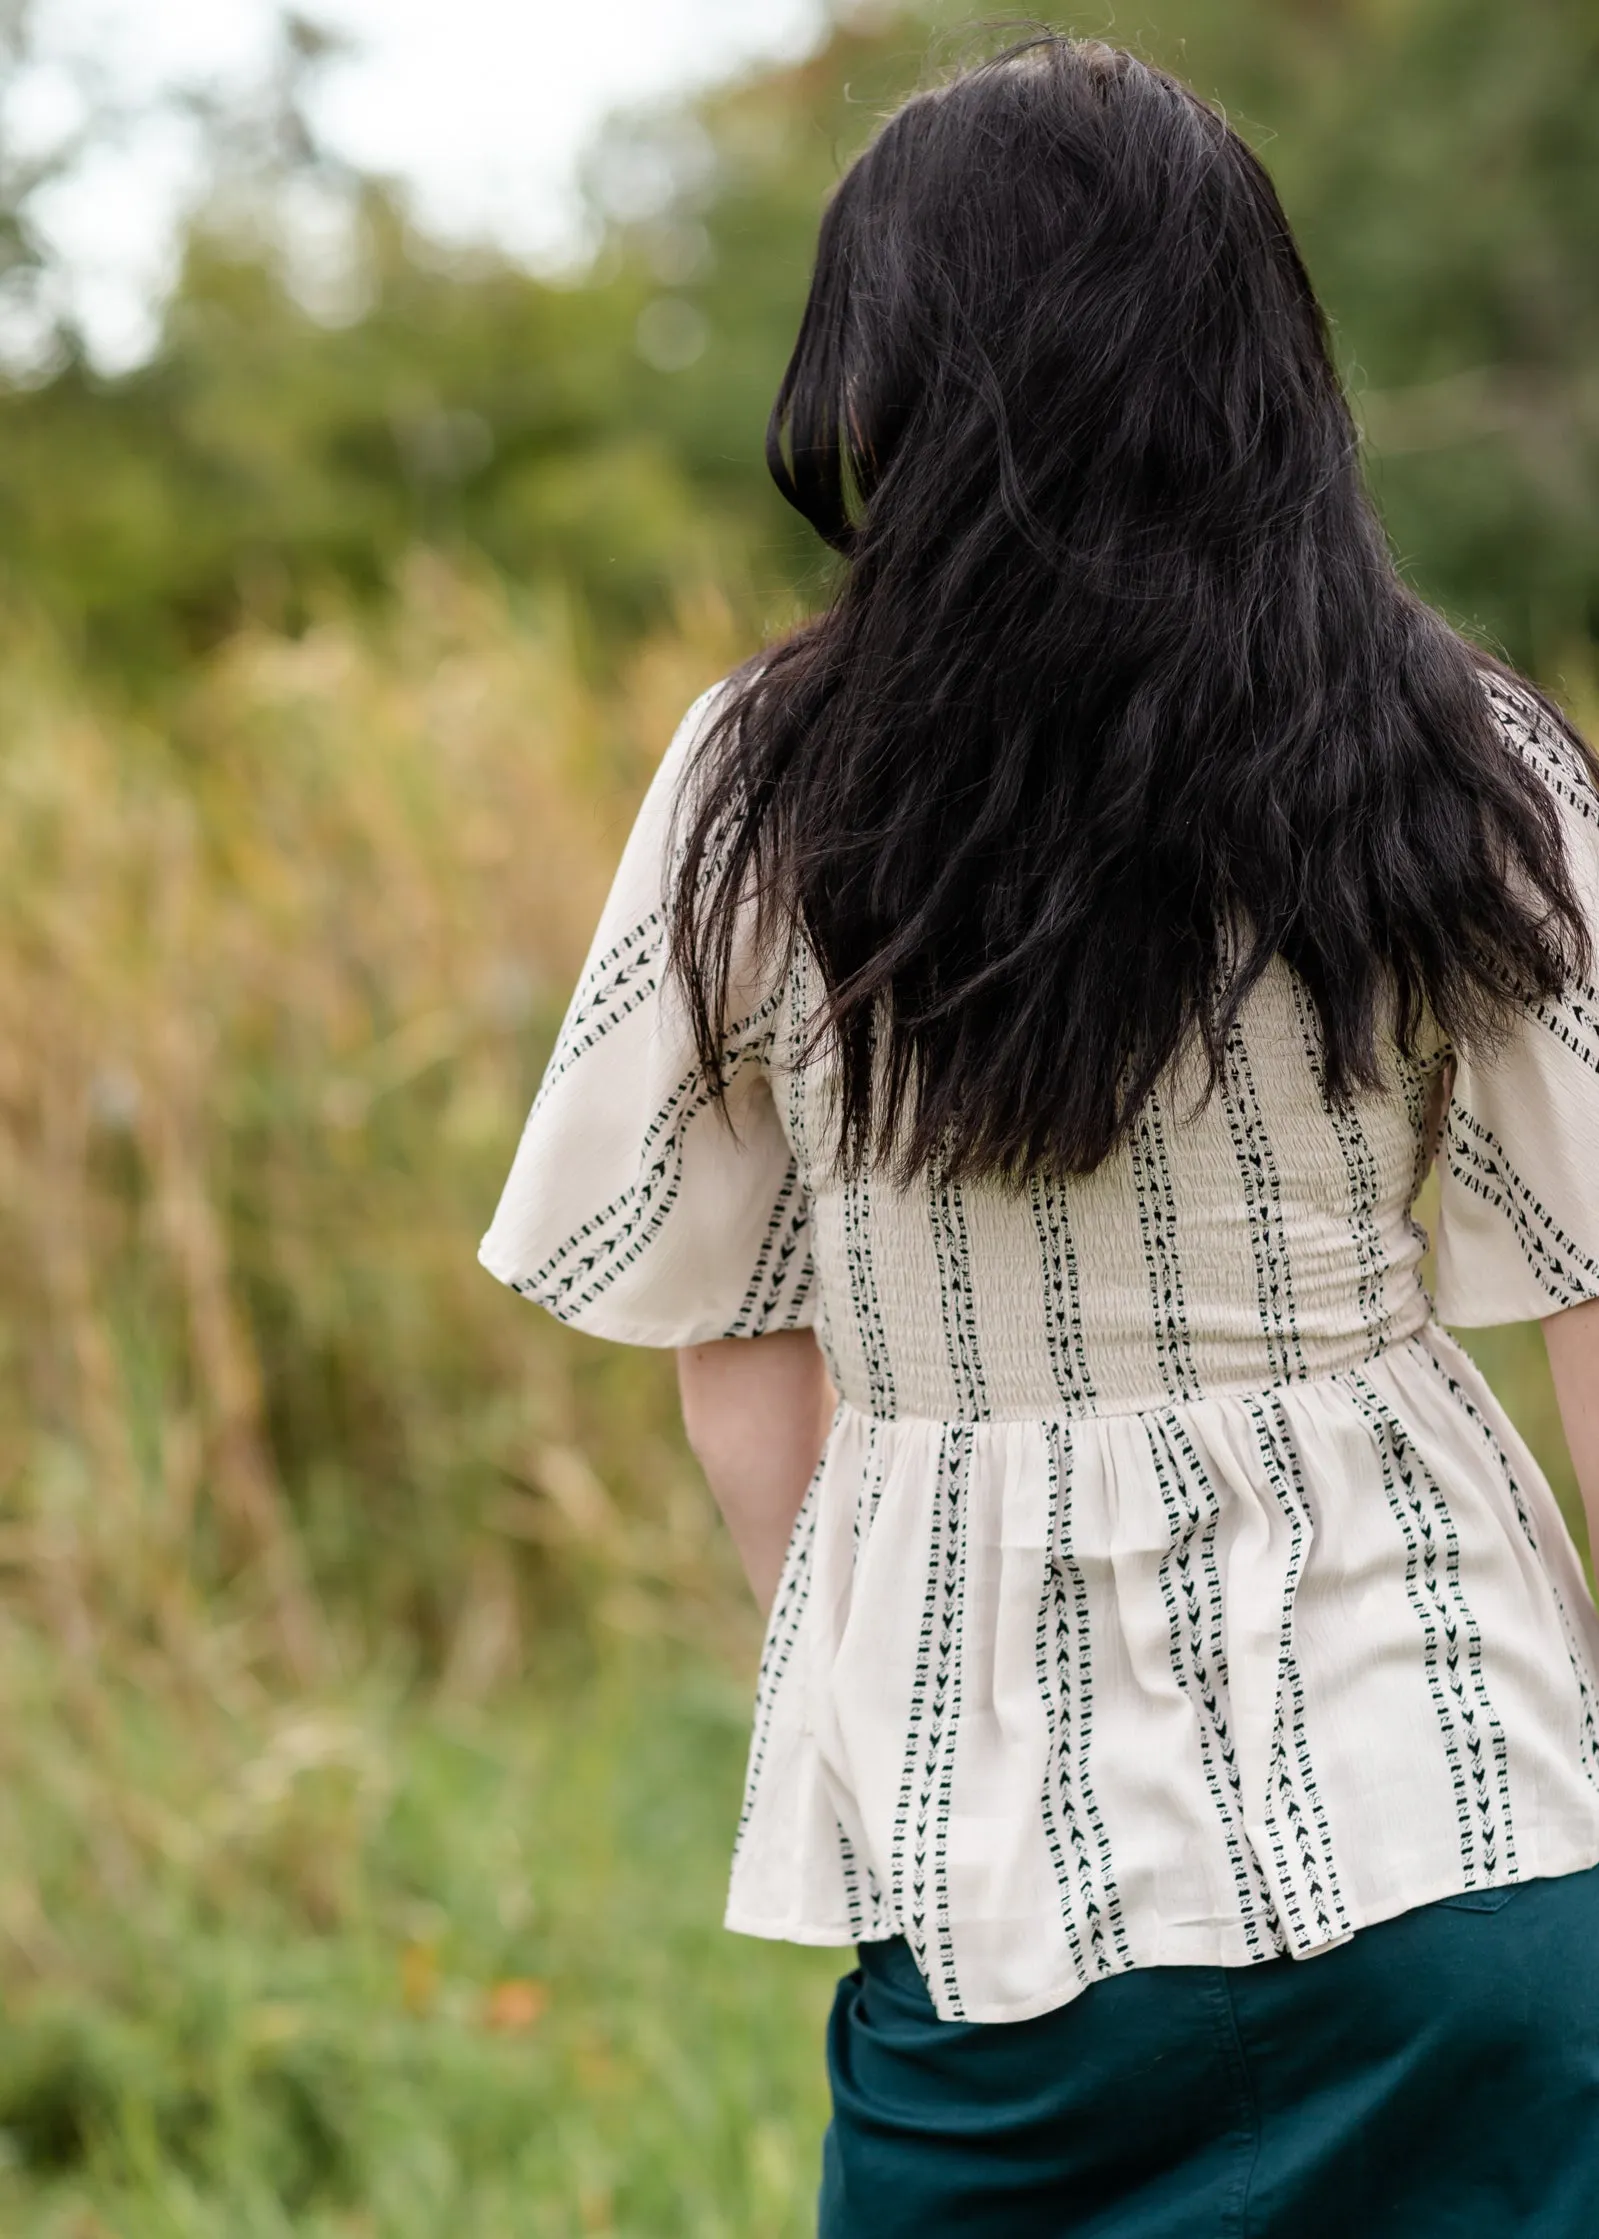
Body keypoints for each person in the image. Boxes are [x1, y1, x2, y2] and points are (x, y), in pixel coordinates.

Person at [480, 35, 1599, 2236]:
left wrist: (890, 1692)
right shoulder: (1454, 743)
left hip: (1008, 1890)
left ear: (894, 375)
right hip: (1463, 1820)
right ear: (1261, 359)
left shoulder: (760, 793)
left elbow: (737, 1368)